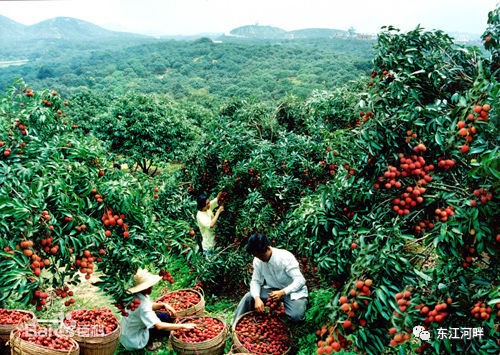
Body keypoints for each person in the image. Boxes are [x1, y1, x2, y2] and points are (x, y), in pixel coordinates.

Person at [233, 233, 308, 325]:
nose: (260, 259)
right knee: (249, 297)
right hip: (272, 291)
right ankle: (235, 325)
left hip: (293, 292)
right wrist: (257, 298)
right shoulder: (258, 260)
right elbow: (256, 281)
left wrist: (282, 292)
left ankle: (287, 310)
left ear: (268, 248)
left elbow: (300, 280)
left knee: (296, 316)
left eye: (261, 256)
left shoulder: (285, 257)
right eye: (257, 256)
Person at [119, 269, 196, 351]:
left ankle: (151, 338)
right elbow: (159, 326)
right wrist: (182, 326)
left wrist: (163, 305)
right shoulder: (143, 306)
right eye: (150, 286)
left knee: (164, 316)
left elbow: (148, 306)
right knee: (164, 320)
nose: (152, 287)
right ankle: (149, 344)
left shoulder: (135, 297)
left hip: (125, 334)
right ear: (145, 288)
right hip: (134, 341)